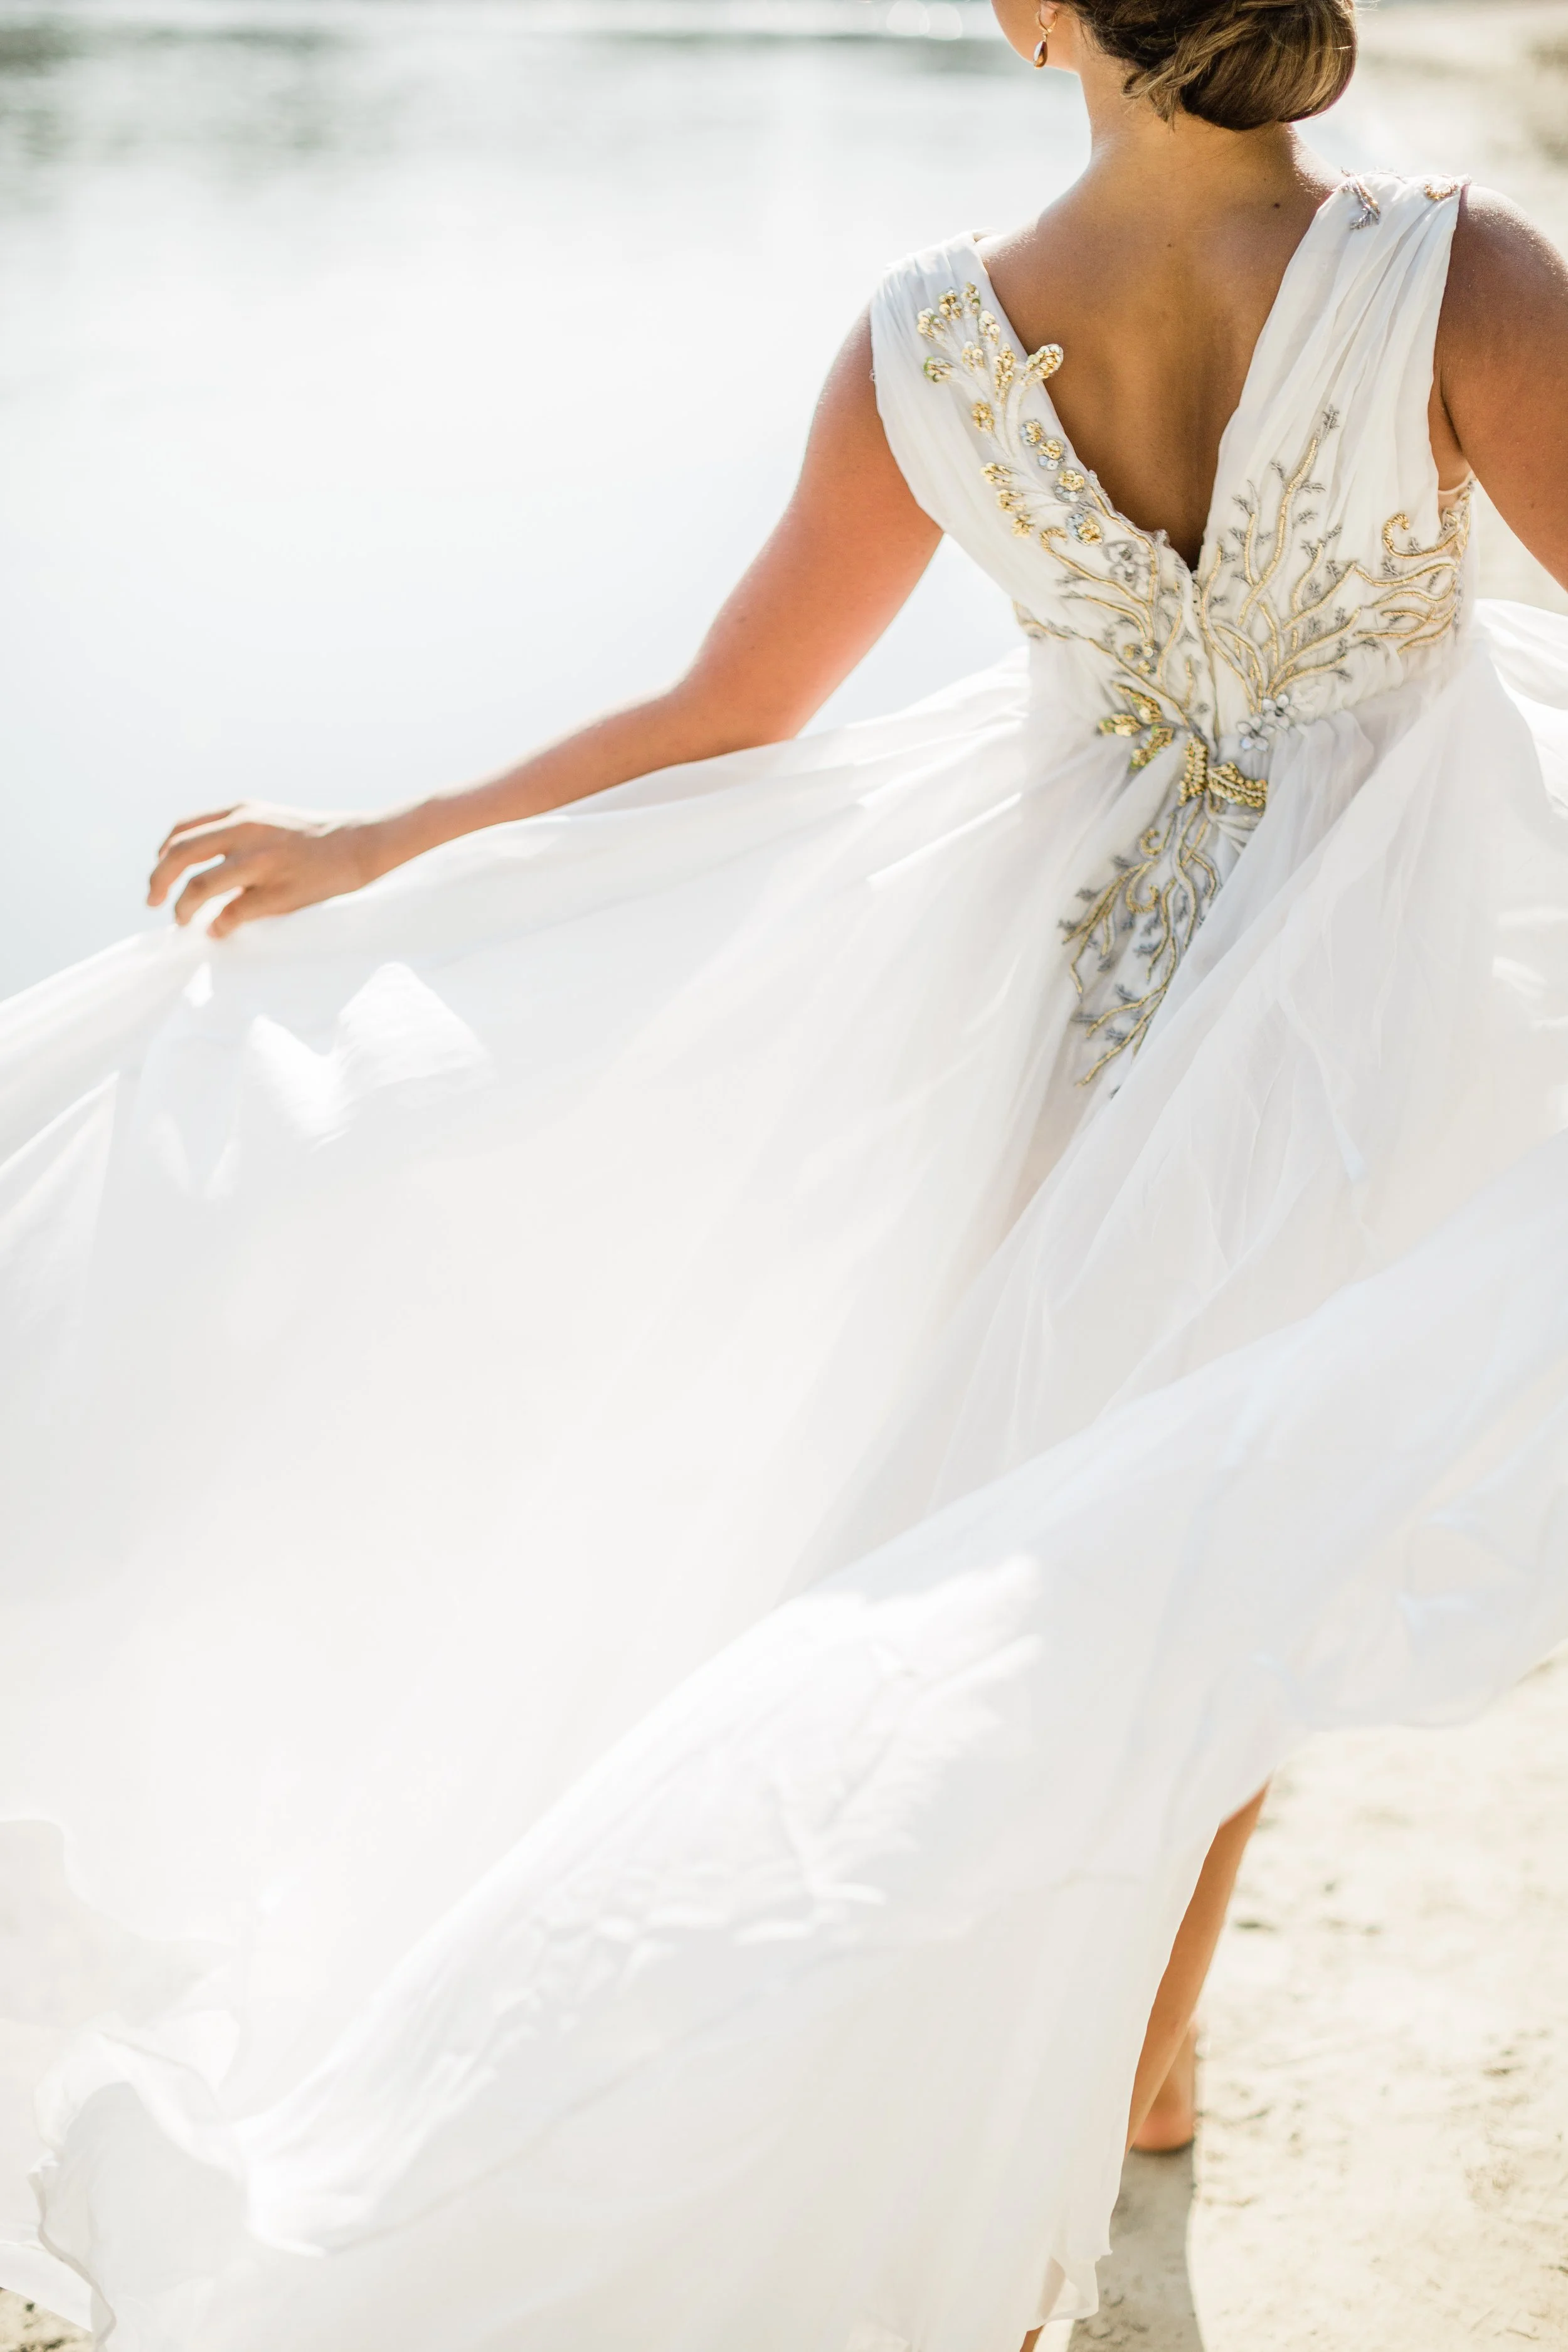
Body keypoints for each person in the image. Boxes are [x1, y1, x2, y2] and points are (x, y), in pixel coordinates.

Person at [3, 1, 1567, 2345]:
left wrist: (385, 838)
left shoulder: (929, 335)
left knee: (1082, 1522)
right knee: (1211, 1518)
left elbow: (730, 713)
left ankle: (1117, 2062)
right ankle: (1111, 2061)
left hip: (1053, 995)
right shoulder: (1459, 280)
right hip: (1376, 997)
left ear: (1040, 17)